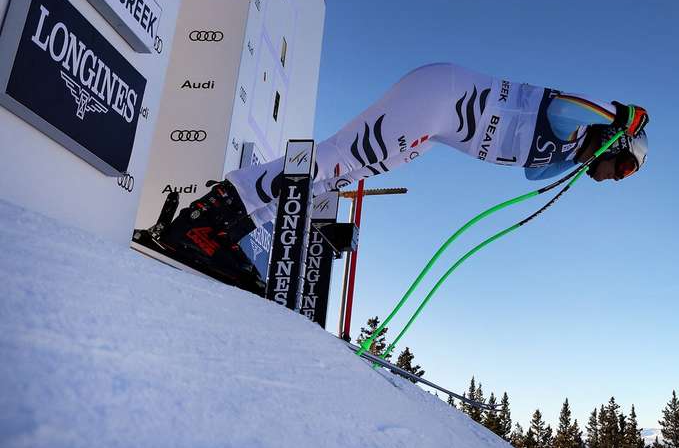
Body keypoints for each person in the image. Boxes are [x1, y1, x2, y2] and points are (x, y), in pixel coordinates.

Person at [144, 63, 649, 289]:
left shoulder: (562, 152)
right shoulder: (567, 117)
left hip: (433, 131)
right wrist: (620, 116)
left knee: (332, 176)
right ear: (616, 142)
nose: (613, 179)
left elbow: (537, 179)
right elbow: (574, 103)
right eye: (623, 168)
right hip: (438, 97)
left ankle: (226, 228)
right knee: (334, 160)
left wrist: (596, 150)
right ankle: (203, 220)